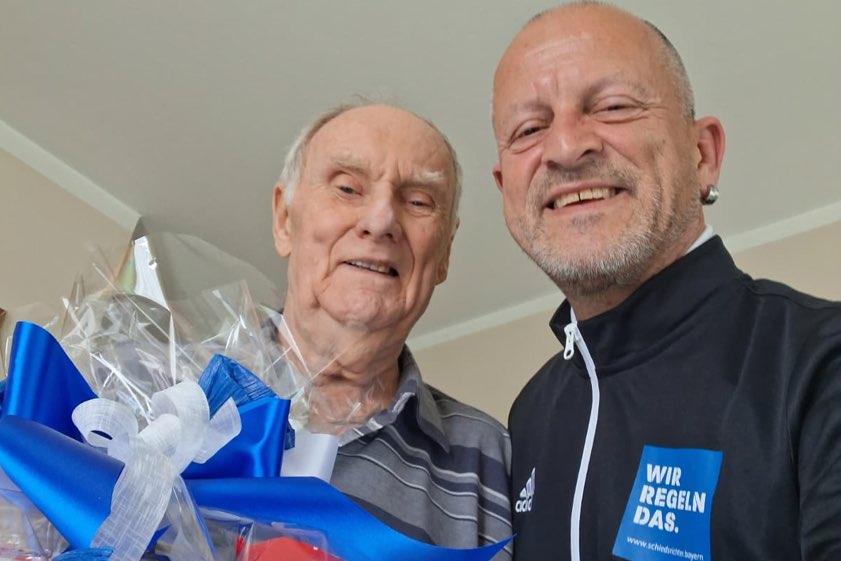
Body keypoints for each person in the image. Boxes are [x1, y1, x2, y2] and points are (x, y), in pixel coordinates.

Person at [491, 3, 841, 561]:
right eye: (530, 129)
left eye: (612, 106)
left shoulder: (822, 361)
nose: (565, 148)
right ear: (505, 187)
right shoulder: (528, 416)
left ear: (703, 154)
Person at [271, 101, 512, 557]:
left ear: (444, 254)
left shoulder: (492, 457)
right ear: (285, 219)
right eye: (347, 188)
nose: (381, 221)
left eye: (419, 202)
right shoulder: (166, 391)